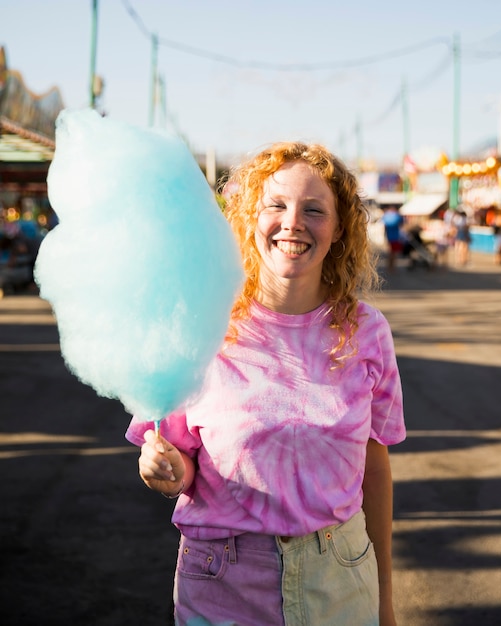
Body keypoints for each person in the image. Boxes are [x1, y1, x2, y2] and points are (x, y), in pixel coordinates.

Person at [126, 142, 406, 626]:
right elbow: (179, 465)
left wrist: (384, 601)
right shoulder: (200, 323)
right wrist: (164, 469)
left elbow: (374, 469)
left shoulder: (368, 331)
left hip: (339, 576)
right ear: (247, 218)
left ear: (339, 229)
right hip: (222, 581)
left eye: (314, 210)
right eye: (275, 205)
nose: (293, 222)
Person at [381, 205, 404, 271]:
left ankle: (390, 266)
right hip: (395, 237)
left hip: (389, 236)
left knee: (390, 252)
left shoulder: (386, 215)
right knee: (394, 253)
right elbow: (401, 224)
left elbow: (384, 225)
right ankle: (392, 267)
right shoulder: (397, 216)